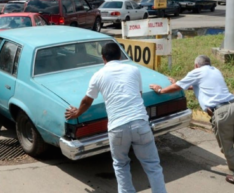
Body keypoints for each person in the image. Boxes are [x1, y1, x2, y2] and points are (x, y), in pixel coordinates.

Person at [65, 42, 167, 193]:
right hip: (140, 123)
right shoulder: (133, 70)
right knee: (152, 165)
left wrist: (77, 113)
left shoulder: (98, 75)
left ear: (103, 58)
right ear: (120, 56)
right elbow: (138, 95)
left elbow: (87, 101)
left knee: (121, 165)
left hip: (117, 128)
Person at [149, 55, 234, 186]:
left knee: (227, 146)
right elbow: (197, 85)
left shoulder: (197, 72)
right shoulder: (215, 70)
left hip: (222, 113)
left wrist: (161, 90)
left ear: (196, 65)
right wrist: (179, 83)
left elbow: (178, 87)